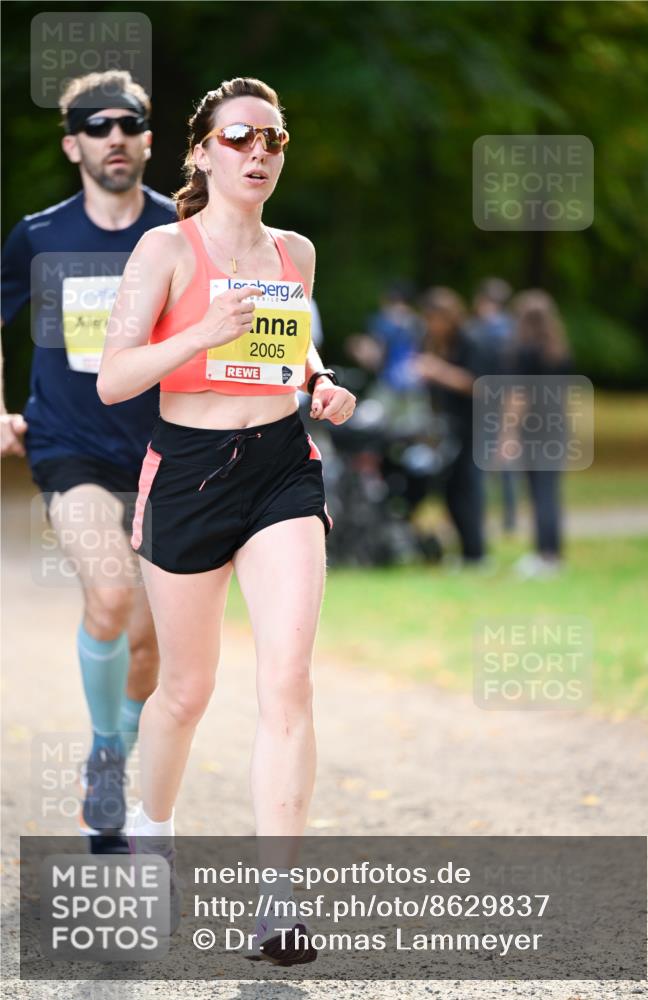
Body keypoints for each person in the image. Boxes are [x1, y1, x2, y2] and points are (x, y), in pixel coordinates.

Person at [97, 77, 356, 963]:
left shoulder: (295, 252)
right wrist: (200, 333)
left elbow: (290, 341)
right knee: (186, 690)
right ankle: (149, 828)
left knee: (288, 683)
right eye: (239, 137)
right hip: (189, 477)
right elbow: (116, 377)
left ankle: (279, 903)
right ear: (203, 152)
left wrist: (319, 381)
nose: (257, 153)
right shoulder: (163, 253)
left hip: (282, 469)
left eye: (273, 140)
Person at [1, 70, 176, 835]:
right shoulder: (40, 236)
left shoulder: (180, 231)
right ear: (72, 143)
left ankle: (117, 743)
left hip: (168, 453)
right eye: (97, 127)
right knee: (109, 597)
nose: (115, 138)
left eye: (128, 125)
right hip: (68, 446)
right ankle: (108, 758)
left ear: (146, 139)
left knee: (149, 642)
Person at [414, 287, 491, 566]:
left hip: (474, 425)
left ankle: (477, 553)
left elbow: (480, 385)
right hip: (446, 427)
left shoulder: (470, 343)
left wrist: (438, 371)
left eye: (436, 319)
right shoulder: (431, 342)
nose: (432, 326)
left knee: (468, 489)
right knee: (448, 490)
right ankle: (465, 552)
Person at [506, 290, 573, 578]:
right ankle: (552, 554)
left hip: (533, 429)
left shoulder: (525, 352)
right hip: (557, 426)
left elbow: (519, 396)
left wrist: (508, 432)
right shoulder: (559, 352)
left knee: (539, 492)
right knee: (550, 492)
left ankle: (544, 556)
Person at [467, 277, 517, 533]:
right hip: (507, 398)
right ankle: (509, 517)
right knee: (506, 459)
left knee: (483, 461)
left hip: (486, 401)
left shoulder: (478, 331)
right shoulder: (513, 329)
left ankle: (482, 516)